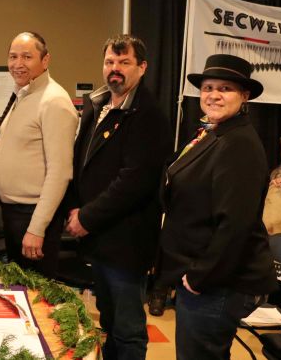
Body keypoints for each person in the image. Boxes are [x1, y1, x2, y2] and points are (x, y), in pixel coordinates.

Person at [158, 54, 276, 360]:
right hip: (202, 276)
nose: (213, 95)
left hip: (217, 283)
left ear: (244, 95)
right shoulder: (215, 134)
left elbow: (235, 224)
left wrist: (199, 277)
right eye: (208, 87)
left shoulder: (239, 143)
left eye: (225, 88)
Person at [63, 34, 171, 360]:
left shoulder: (148, 115)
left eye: (124, 63)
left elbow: (134, 182)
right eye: (110, 61)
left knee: (128, 330)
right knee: (109, 321)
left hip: (126, 242)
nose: (115, 69)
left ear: (142, 67)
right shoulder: (98, 104)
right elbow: (82, 162)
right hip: (99, 239)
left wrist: (86, 217)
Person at [0, 32, 77, 277]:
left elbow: (59, 173)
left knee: (38, 297)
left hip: (34, 215)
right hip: (13, 213)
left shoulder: (53, 101)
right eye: (13, 56)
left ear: (45, 60)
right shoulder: (24, 94)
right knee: (21, 291)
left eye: (27, 57)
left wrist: (37, 228)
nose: (18, 64)